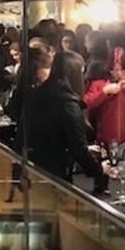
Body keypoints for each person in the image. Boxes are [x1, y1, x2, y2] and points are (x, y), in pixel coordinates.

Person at [25, 50, 109, 192]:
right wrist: (99, 170)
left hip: (32, 167)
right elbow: (77, 147)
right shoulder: (68, 103)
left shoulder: (37, 94)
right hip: (56, 172)